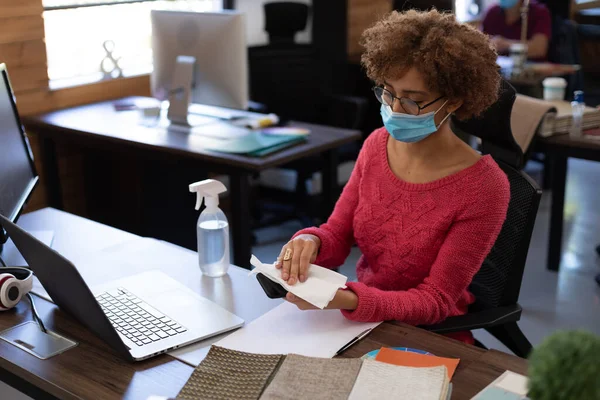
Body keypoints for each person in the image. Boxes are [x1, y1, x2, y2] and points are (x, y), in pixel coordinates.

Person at [275, 9, 510, 344]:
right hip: (361, 324)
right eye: (388, 92)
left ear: (455, 102)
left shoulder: (484, 187)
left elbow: (436, 301)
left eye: (414, 102)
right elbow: (337, 234)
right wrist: (310, 241)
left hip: (427, 337)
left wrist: (346, 299)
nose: (395, 110)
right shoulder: (376, 145)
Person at [482, 0, 552, 61]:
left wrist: (505, 44)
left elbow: (539, 49)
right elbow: (481, 45)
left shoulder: (539, 12)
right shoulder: (492, 13)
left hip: (532, 69)